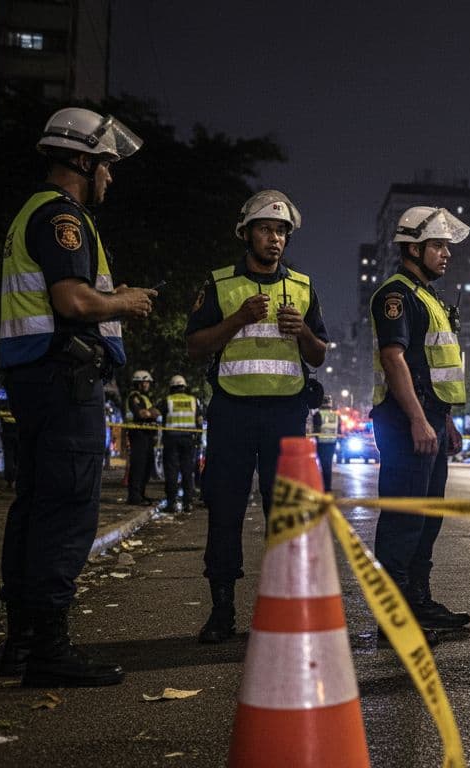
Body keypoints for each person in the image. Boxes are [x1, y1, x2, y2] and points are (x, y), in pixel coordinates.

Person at [0, 107, 152, 686]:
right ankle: (49, 651)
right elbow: (74, 301)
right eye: (107, 166)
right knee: (67, 512)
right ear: (83, 161)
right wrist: (127, 302)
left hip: (37, 381)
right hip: (65, 383)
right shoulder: (65, 218)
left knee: (34, 509)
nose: (110, 178)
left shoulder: (28, 213)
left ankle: (20, 643)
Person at [186, 190, 329, 643]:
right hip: (231, 411)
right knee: (225, 509)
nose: (275, 239)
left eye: (282, 231)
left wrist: (302, 330)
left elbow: (319, 354)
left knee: (284, 513)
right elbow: (194, 346)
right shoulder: (219, 283)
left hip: (286, 411)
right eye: (266, 229)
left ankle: (283, 607)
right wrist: (237, 321)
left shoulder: (304, 287)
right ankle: (222, 610)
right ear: (246, 233)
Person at [371, 206, 470, 644]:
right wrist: (417, 419)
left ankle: (419, 602)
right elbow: (395, 359)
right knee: (403, 521)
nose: (447, 253)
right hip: (404, 422)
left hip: (430, 419)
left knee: (426, 519)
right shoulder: (397, 295)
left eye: (447, 245)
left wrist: (443, 420)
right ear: (413, 248)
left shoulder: (429, 295)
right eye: (438, 245)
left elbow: (432, 367)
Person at [159, 374, 203, 511]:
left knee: (171, 471)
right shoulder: (193, 400)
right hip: (188, 439)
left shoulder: (168, 400)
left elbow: (155, 413)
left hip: (171, 439)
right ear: (184, 387)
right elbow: (200, 420)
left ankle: (171, 503)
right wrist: (198, 437)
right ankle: (187, 503)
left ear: (172, 387)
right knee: (187, 471)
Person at [125, 370, 159, 504]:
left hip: (146, 435)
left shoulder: (145, 398)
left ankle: (141, 494)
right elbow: (143, 414)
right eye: (146, 382)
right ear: (139, 383)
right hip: (138, 434)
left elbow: (153, 412)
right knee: (138, 466)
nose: (148, 385)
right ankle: (134, 497)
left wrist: (151, 413)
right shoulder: (134, 396)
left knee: (146, 466)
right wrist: (151, 413)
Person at [312, 394, 340, 491]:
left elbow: (316, 430)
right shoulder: (336, 416)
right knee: (327, 465)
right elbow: (339, 431)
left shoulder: (317, 415)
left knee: (321, 466)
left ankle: (322, 487)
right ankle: (327, 487)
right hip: (332, 443)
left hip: (321, 443)